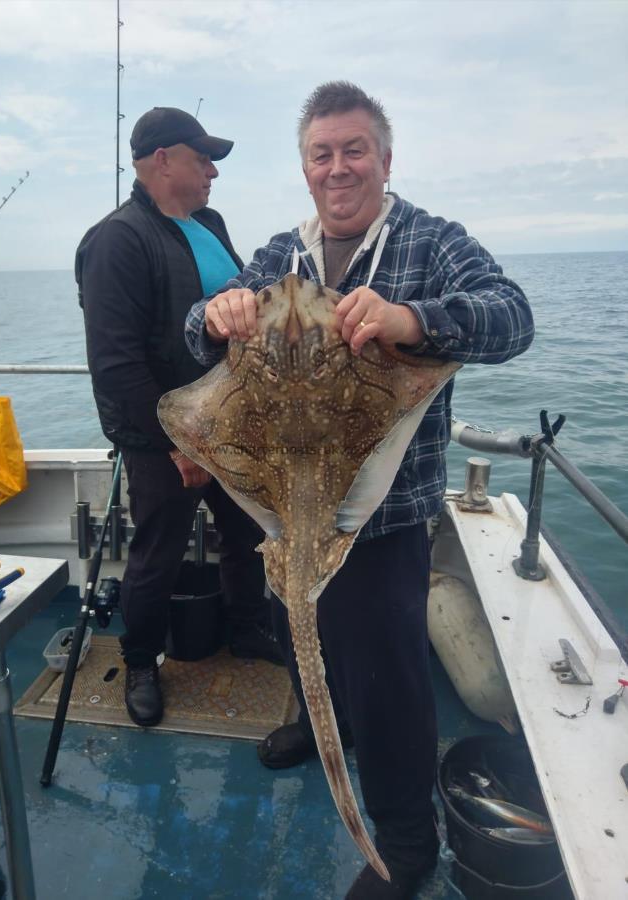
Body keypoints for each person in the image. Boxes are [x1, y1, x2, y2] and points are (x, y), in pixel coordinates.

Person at [184, 83, 534, 899]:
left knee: (386, 690)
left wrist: (410, 320)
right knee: (299, 632)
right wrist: (215, 312)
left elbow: (511, 317)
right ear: (304, 167)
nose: (336, 168)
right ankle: (311, 724)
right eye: (320, 154)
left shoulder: (429, 241)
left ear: (383, 158)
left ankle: (407, 850)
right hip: (279, 506)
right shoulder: (281, 254)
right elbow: (192, 328)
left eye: (353, 150)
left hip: (383, 519)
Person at [75, 107, 283, 730]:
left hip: (232, 426)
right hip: (162, 437)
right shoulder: (117, 240)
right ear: (162, 161)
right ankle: (141, 661)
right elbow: (115, 364)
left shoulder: (209, 224)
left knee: (248, 537)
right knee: (157, 552)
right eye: (202, 157)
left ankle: (246, 630)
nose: (213, 170)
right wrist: (178, 446)